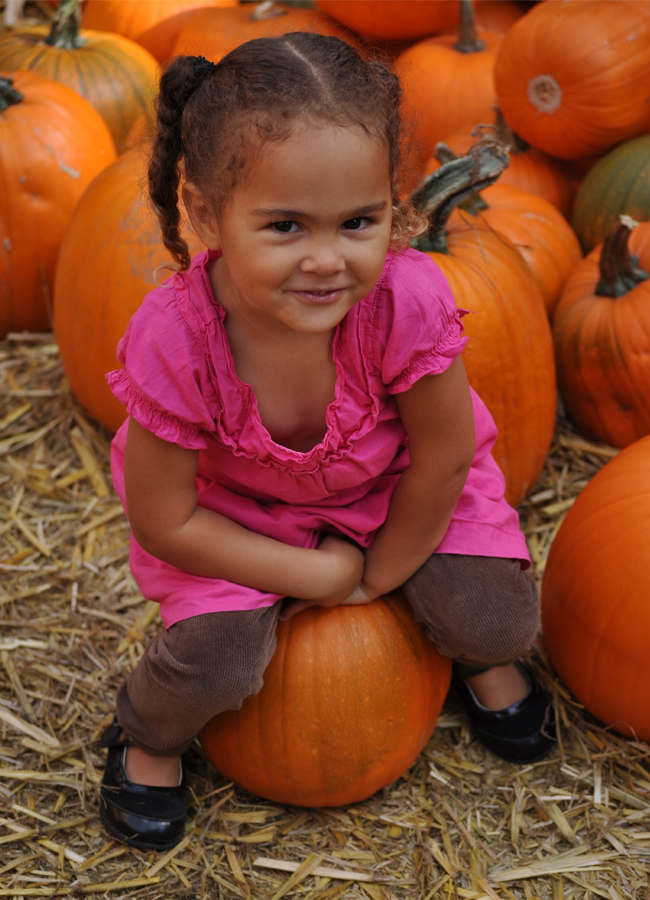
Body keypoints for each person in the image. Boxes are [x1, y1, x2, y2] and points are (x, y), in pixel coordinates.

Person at [99, 33, 556, 852]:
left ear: (393, 206)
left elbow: (445, 457)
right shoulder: (174, 337)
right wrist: (314, 573)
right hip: (236, 517)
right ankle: (145, 739)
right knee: (215, 665)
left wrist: (380, 573)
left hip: (396, 489)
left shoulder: (406, 300)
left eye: (357, 221)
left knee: (499, 619)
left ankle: (468, 652)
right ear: (206, 215)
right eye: (283, 226)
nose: (325, 260)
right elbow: (164, 519)